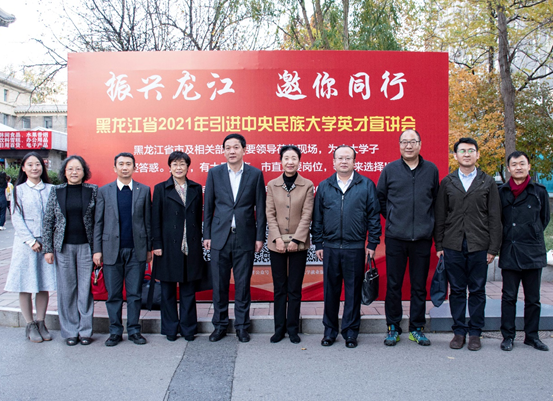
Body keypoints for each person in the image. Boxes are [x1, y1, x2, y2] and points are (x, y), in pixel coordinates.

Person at [434, 137, 502, 351]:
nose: (466, 154)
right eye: (462, 151)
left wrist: (493, 248)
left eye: (471, 150)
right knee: (456, 290)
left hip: (479, 245)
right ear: (455, 156)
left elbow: (495, 216)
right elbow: (440, 215)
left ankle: (475, 332)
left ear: (477, 154)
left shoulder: (487, 181)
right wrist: (439, 245)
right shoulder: (448, 182)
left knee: (477, 290)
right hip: (452, 244)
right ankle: (459, 331)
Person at [312, 145, 381, 348]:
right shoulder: (324, 186)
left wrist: (372, 242)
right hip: (330, 247)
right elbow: (318, 218)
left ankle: (351, 332)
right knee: (330, 292)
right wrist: (318, 243)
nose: (344, 161)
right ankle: (329, 332)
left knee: (353, 292)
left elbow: (373, 216)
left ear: (354, 162)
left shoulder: (366, 185)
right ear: (333, 162)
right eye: (340, 158)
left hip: (355, 247)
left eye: (348, 158)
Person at [376, 129, 439, 347]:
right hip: (396, 237)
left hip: (422, 238)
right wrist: (394, 218)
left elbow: (436, 200)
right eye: (404, 142)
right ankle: (393, 327)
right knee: (393, 284)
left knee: (419, 285)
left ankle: (417, 328)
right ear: (399, 145)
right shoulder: (390, 170)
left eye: (413, 142)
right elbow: (380, 198)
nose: (408, 146)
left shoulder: (431, 170)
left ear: (420, 144)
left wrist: (428, 224)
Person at [203, 133, 266, 343]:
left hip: (245, 237)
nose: (232, 151)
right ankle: (220, 325)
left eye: (236, 147)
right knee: (219, 285)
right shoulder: (215, 173)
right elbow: (208, 207)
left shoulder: (255, 174)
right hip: (219, 237)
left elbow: (260, 208)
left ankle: (242, 326)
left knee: (243, 284)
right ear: (223, 151)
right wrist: (207, 234)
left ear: (243, 150)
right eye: (228, 147)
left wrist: (259, 237)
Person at [93, 152, 152, 347]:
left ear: (135, 167)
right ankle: (115, 332)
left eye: (128, 164)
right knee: (114, 295)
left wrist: (149, 248)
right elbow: (98, 222)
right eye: (121, 164)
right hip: (111, 250)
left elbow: (148, 222)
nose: (125, 167)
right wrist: (97, 250)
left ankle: (134, 330)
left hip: (137, 250)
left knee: (135, 294)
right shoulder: (104, 191)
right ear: (114, 168)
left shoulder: (144, 190)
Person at [42, 155, 98, 346]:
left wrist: (98, 249)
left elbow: (98, 221)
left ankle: (85, 331)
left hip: (86, 247)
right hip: (63, 247)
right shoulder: (56, 191)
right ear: (64, 172)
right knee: (67, 290)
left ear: (84, 172)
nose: (74, 172)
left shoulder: (93, 190)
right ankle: (70, 331)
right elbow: (48, 221)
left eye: (78, 169)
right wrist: (48, 249)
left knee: (85, 290)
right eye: (70, 169)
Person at [498, 151, 550, 352]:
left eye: (522, 163)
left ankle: (532, 336)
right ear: (508, 168)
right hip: (510, 249)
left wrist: (530, 234)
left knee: (533, 298)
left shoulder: (539, 191)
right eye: (514, 164)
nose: (518, 167)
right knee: (508, 297)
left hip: (532, 251)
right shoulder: (501, 191)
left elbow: (544, 219)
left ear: (528, 166)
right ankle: (508, 336)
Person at [152, 152, 205, 342]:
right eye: (175, 164)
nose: (179, 168)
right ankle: (170, 329)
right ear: (169, 167)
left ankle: (188, 329)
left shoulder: (196, 188)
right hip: (167, 246)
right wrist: (157, 244)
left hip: (191, 246)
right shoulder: (160, 189)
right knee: (167, 291)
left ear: (188, 167)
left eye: (182, 164)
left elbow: (198, 218)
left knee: (188, 291)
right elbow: (155, 219)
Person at [4, 152, 55, 342]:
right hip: (25, 245)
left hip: (46, 243)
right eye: (30, 165)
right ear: (23, 168)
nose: (35, 168)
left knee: (43, 284)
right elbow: (16, 218)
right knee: (24, 284)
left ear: (43, 167)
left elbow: (55, 217)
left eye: (38, 164)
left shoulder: (51, 189)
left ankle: (41, 322)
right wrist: (31, 241)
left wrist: (48, 242)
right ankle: (30, 324)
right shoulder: (18, 191)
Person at [266, 145, 314, 344]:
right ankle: (279, 329)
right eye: (286, 158)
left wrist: (296, 240)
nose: (290, 162)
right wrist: (277, 238)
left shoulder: (307, 185)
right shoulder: (272, 185)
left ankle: (293, 329)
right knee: (279, 288)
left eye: (294, 158)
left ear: (299, 161)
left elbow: (307, 215)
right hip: (276, 244)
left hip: (299, 245)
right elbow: (270, 214)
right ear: (281, 161)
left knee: (294, 288)